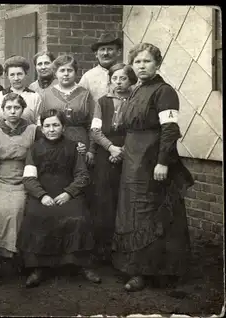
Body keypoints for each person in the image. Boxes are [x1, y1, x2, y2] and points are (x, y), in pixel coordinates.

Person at [112, 43, 193, 292]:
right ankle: (134, 268)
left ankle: (153, 271)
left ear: (157, 64)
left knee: (150, 212)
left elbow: (170, 130)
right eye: (137, 62)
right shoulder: (136, 91)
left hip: (152, 161)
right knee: (132, 212)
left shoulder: (164, 91)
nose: (142, 66)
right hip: (132, 160)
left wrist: (162, 162)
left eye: (147, 61)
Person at [17, 109, 101, 288]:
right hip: (43, 194)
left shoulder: (74, 147)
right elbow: (29, 178)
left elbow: (82, 176)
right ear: (42, 127)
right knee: (36, 216)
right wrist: (42, 195)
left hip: (67, 193)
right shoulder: (35, 148)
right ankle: (38, 267)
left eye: (56, 125)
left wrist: (69, 193)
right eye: (47, 125)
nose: (51, 129)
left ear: (63, 127)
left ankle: (81, 264)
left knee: (79, 217)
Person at [0, 93, 37, 278]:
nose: (13, 112)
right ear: (2, 111)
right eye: (8, 108)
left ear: (23, 110)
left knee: (16, 210)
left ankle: (13, 257)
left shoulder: (32, 129)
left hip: (22, 178)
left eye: (17, 108)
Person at [89, 63, 137, 263]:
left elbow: (137, 130)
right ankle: (103, 249)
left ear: (131, 81)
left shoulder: (136, 100)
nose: (118, 83)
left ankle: (124, 249)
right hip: (105, 155)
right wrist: (111, 148)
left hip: (130, 153)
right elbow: (95, 130)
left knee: (124, 199)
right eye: (115, 79)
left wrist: (123, 151)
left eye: (123, 78)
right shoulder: (102, 102)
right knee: (104, 201)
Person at [41, 55, 97, 166]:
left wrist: (91, 149)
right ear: (55, 73)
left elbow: (92, 123)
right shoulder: (46, 94)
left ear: (75, 72)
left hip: (80, 143)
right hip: (55, 142)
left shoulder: (84, 94)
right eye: (62, 70)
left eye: (69, 70)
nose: (66, 74)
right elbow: (42, 123)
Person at [0, 56, 43, 127]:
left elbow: (39, 121)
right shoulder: (0, 96)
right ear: (7, 76)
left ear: (26, 74)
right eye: (12, 75)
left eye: (19, 74)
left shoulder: (35, 96)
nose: (16, 78)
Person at [79, 33, 123, 103]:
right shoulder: (88, 77)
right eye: (102, 49)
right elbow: (80, 103)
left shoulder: (126, 73)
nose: (105, 53)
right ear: (96, 54)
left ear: (118, 52)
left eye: (110, 49)